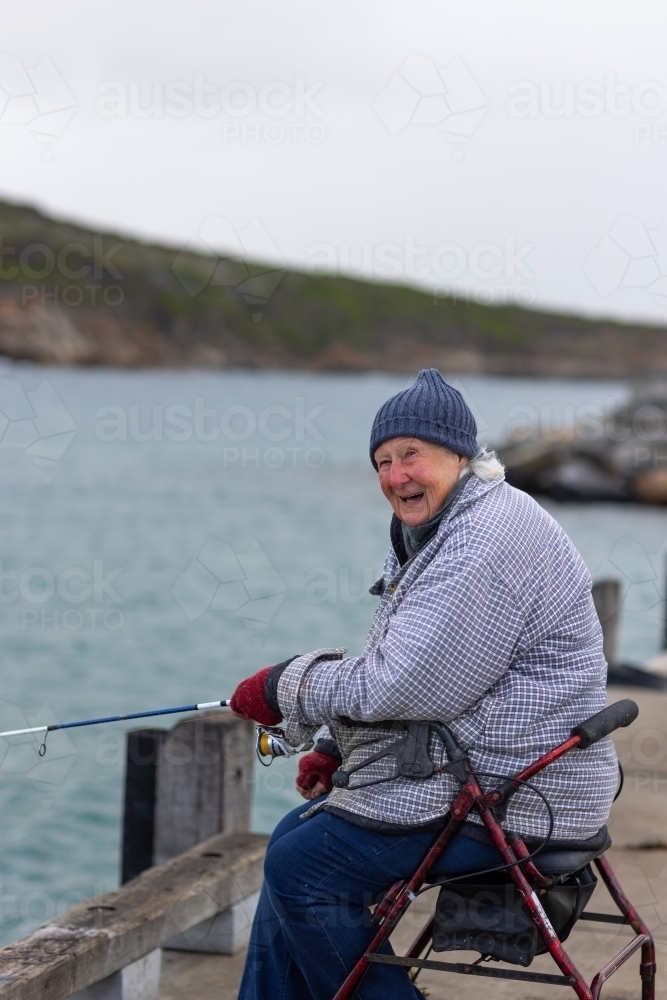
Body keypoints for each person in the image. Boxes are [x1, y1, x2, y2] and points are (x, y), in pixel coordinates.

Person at [231, 369, 618, 1000]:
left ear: (460, 455)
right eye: (382, 462)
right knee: (292, 837)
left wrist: (282, 688)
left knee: (303, 868)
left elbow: (401, 685)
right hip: (492, 768)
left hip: (516, 795)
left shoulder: (484, 541)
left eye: (411, 455)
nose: (394, 476)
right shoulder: (452, 524)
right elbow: (430, 669)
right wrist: (337, 745)